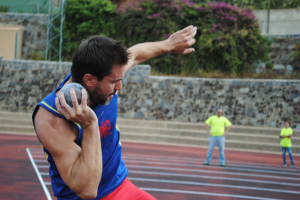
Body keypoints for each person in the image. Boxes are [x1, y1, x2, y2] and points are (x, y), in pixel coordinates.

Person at [32, 25, 197, 200]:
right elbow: (87, 190)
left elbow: (137, 53)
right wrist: (90, 124)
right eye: (114, 82)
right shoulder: (51, 119)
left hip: (119, 185)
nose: (119, 87)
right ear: (89, 79)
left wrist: (169, 44)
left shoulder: (107, 75)